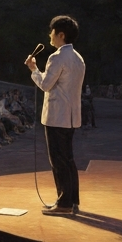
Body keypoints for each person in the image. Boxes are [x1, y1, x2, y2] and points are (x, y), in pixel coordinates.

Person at [25, 15, 85, 216]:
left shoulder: (57, 57)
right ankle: (70, 199)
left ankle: (64, 203)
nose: (50, 35)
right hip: (71, 116)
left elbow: (45, 85)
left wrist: (34, 69)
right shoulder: (78, 58)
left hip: (56, 116)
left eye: (52, 32)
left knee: (58, 161)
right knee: (68, 159)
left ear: (61, 34)